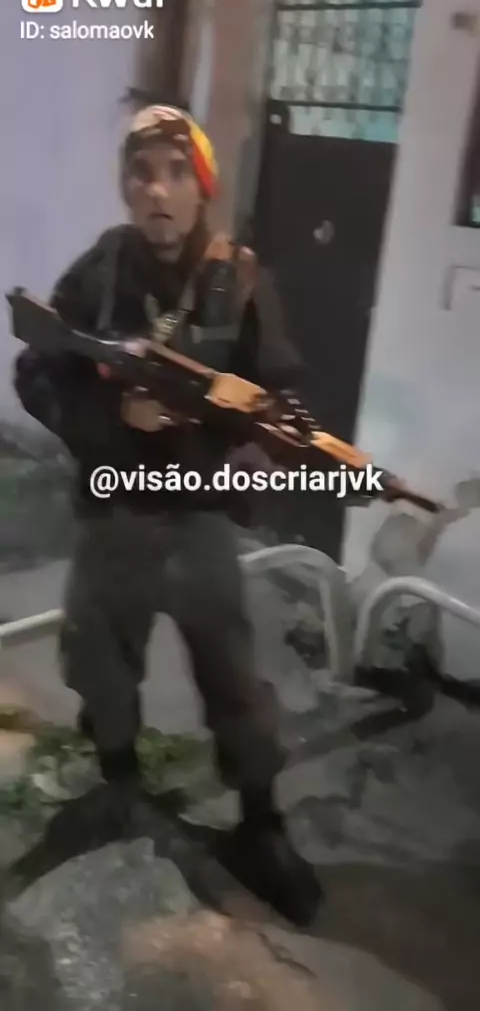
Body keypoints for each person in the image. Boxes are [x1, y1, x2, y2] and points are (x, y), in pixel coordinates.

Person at [13, 104, 322, 925]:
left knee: (232, 670)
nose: (159, 191)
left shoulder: (239, 279)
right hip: (116, 503)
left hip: (197, 508)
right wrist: (114, 417)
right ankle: (120, 787)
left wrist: (278, 440)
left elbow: (278, 389)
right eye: (143, 174)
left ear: (202, 188)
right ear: (126, 187)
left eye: (178, 173)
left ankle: (261, 822)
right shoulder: (99, 274)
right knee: (100, 657)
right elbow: (36, 372)